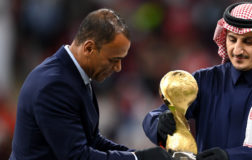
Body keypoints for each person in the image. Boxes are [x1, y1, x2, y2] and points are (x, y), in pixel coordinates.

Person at [142, 2, 252, 160]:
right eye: (232, 40)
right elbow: (156, 115)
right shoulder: (205, 80)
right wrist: (160, 123)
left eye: (248, 41)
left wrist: (229, 157)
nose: (237, 49)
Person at [10, 8, 172, 160]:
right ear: (89, 48)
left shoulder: (71, 74)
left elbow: (92, 140)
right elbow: (77, 156)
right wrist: (138, 158)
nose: (118, 68)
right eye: (113, 60)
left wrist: (137, 155)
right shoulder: (54, 85)